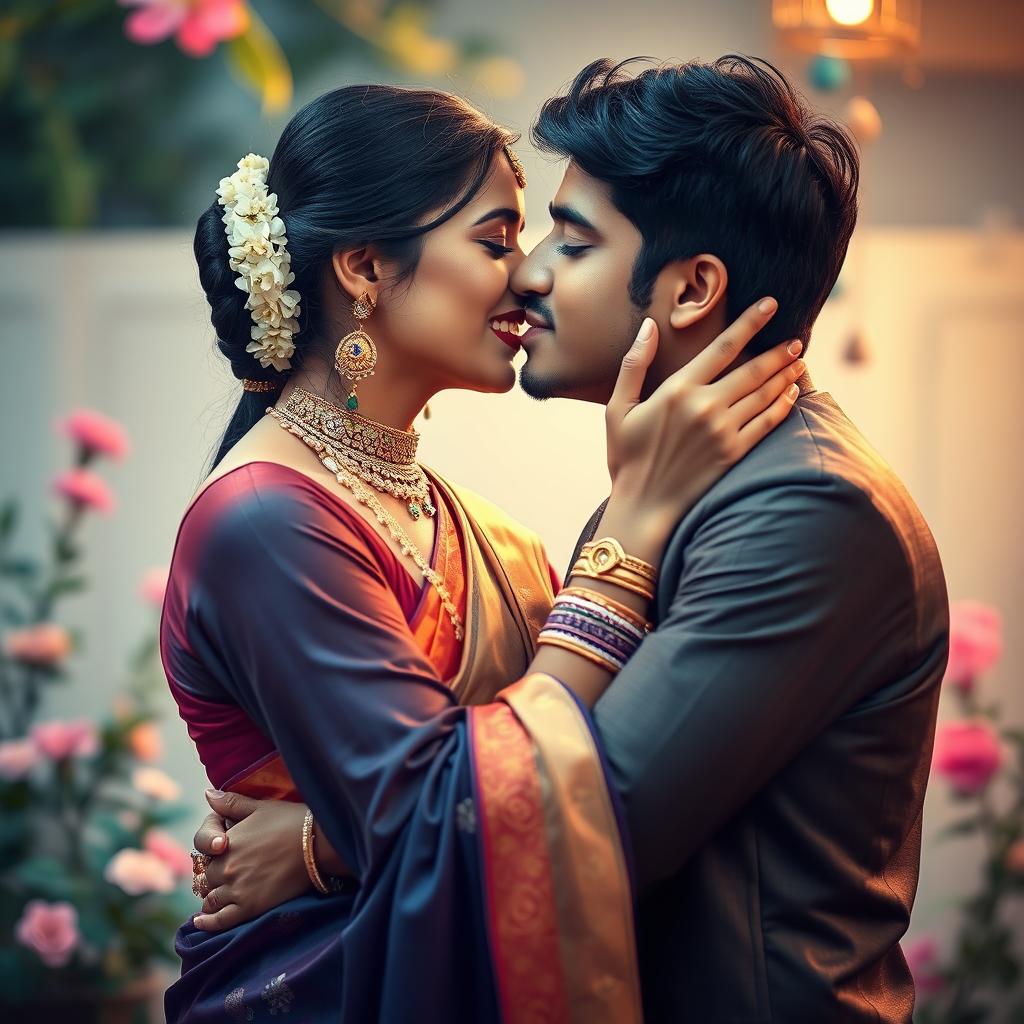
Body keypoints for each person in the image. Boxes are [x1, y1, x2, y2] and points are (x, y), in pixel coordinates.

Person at [193, 57, 950, 1022]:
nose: (531, 273)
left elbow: (562, 822)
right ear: (365, 270)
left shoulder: (807, 513)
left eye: (569, 239)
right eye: (511, 235)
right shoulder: (665, 492)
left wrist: (322, 844)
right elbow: (532, 775)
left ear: (690, 291)